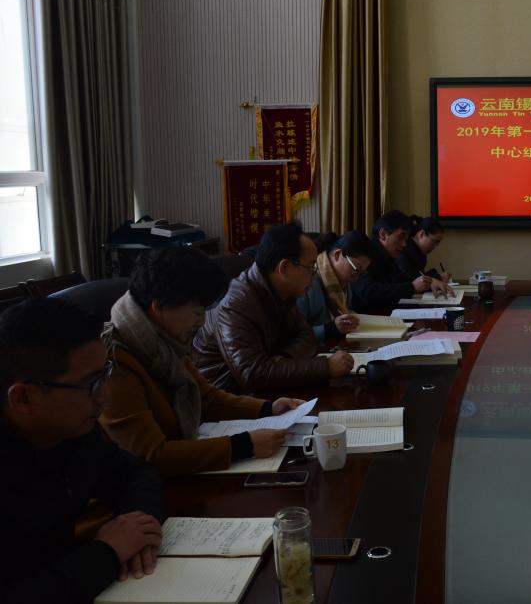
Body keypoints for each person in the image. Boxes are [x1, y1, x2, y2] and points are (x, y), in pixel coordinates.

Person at [0, 298, 165, 602]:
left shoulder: (74, 431)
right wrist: (107, 552)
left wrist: (137, 528)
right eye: (90, 384)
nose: (104, 397)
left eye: (105, 374)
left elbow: (136, 473)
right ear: (23, 399)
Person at [100, 247, 305, 476]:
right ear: (159, 307)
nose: (201, 322)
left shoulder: (163, 341)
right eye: (196, 313)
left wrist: (268, 408)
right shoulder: (113, 361)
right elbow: (151, 455)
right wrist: (242, 446)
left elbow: (206, 399)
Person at [192, 221, 354, 392]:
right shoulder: (236, 304)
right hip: (227, 398)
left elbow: (307, 337)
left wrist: (280, 361)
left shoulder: (283, 292)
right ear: (284, 268)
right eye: (311, 267)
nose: (314, 275)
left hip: (266, 392)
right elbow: (253, 375)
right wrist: (325, 367)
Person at [348, 210, 449, 315]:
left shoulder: (390, 256)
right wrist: (412, 287)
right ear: (383, 234)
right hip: (367, 319)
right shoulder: (365, 254)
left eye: (406, 239)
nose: (404, 244)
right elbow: (369, 292)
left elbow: (399, 285)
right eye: (400, 237)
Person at [298, 230, 375, 344]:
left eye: (362, 273)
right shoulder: (308, 282)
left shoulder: (345, 283)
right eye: (355, 269)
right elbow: (294, 336)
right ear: (337, 254)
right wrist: (331, 329)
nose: (357, 277)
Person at [396, 215, 450, 283]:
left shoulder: (419, 252)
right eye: (434, 241)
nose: (435, 246)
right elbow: (412, 279)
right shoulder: (403, 250)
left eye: (437, 243)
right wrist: (438, 277)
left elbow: (420, 275)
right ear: (422, 234)